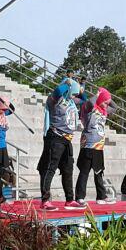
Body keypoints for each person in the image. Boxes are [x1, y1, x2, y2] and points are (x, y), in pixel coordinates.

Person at [38, 77, 81, 210]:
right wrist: (67, 84)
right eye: (73, 93)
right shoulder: (56, 100)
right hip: (55, 137)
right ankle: (45, 200)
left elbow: (83, 99)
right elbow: (57, 91)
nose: (74, 96)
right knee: (50, 168)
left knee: (68, 169)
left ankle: (70, 200)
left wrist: (79, 89)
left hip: (67, 139)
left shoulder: (71, 101)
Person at [75, 87, 114, 206]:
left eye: (107, 103)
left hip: (98, 146)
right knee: (84, 172)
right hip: (88, 145)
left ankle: (101, 196)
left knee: (99, 172)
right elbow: (91, 103)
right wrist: (98, 94)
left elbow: (115, 107)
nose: (107, 105)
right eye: (105, 102)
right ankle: (80, 197)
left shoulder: (104, 111)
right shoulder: (89, 109)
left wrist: (108, 97)